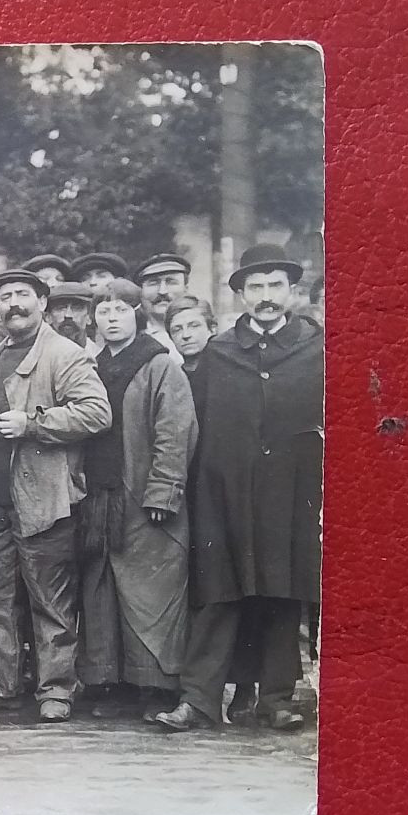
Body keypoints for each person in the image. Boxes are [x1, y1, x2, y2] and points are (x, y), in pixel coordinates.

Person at [152, 244, 322, 733]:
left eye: (274, 286)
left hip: (290, 494)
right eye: (255, 287)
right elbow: (189, 425)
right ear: (241, 295)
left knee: (281, 593)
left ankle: (276, 699)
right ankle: (199, 700)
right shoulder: (219, 354)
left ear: (291, 291)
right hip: (222, 493)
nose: (265, 297)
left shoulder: (317, 351)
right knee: (217, 596)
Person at [0, 269, 111, 723]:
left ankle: (56, 691)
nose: (14, 304)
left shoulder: (65, 355)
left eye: (23, 295)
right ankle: (0, 684)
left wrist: (34, 423)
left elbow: (96, 413)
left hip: (44, 500)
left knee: (50, 599)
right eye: (5, 297)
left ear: (42, 302)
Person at [76, 279, 198, 719]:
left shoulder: (161, 366)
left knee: (151, 591)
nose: (112, 319)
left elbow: (174, 430)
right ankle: (110, 684)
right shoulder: (89, 367)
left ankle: (156, 688)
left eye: (121, 310)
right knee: (102, 588)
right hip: (99, 496)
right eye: (104, 312)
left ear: (137, 316)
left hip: (144, 495)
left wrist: (163, 490)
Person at [133, 252, 191, 355]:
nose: (162, 291)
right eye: (153, 283)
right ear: (140, 291)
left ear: (186, 289)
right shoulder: (130, 336)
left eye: (171, 282)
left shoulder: (201, 333)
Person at [46, 281, 96, 349]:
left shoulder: (99, 356)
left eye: (77, 308)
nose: (68, 315)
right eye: (60, 308)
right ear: (48, 317)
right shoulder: (37, 355)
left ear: (89, 316)